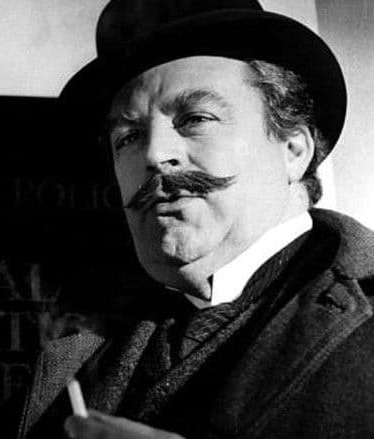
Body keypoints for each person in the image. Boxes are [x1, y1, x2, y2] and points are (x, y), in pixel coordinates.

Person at [18, 0, 374, 438]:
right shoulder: (79, 349)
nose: (153, 155)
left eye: (195, 119)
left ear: (293, 150)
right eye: (128, 136)